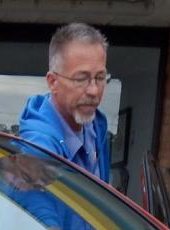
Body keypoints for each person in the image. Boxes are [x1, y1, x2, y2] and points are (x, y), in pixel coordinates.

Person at [18, 23, 112, 183]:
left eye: (100, 78)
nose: (94, 91)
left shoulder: (96, 126)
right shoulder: (37, 154)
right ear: (53, 82)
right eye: (81, 79)